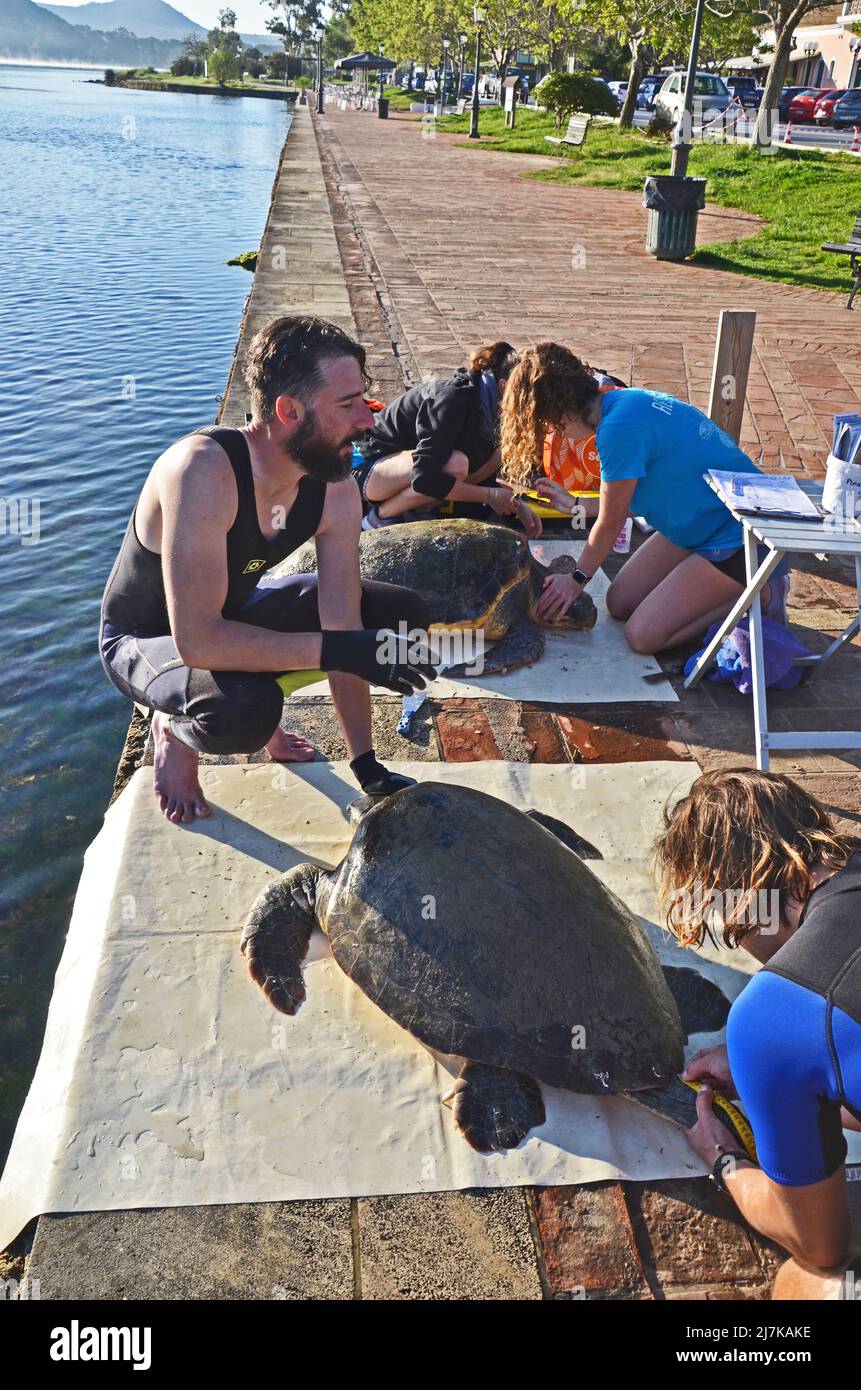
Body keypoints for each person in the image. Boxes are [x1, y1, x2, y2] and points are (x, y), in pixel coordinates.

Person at [100, 315, 437, 826]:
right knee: (245, 714)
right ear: (288, 410)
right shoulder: (204, 470)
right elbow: (197, 641)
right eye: (348, 405)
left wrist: (366, 766)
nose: (368, 421)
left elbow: (342, 619)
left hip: (237, 614)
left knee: (399, 614)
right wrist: (343, 649)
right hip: (150, 638)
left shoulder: (334, 486)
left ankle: (241, 695)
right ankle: (174, 727)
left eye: (363, 402)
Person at [655, 768, 861, 1297]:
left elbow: (820, 1245)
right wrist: (776, 1079)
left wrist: (726, 1160)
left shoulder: (772, 1014)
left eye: (729, 929)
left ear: (738, 902)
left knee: (808, 1279)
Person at [499, 343, 788, 653]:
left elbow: (610, 523)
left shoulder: (618, 429)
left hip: (741, 536)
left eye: (547, 426)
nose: (552, 435)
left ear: (560, 414)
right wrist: (577, 506)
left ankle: (760, 593)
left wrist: (576, 578)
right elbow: (622, 502)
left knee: (642, 637)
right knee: (620, 602)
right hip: (697, 523)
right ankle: (712, 583)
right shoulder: (617, 403)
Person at [354, 341, 540, 538]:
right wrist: (491, 496)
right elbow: (424, 478)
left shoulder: (489, 405)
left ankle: (413, 510)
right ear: (503, 387)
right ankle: (378, 518)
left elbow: (481, 478)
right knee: (455, 463)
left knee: (496, 454)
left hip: (402, 475)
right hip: (366, 470)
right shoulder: (453, 399)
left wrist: (515, 504)